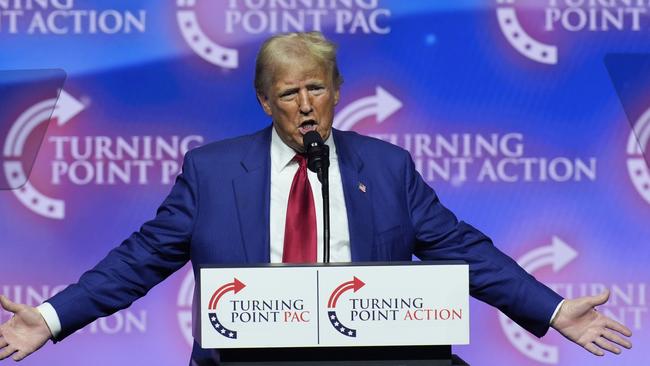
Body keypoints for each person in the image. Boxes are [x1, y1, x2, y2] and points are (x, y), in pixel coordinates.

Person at [0, 32, 633, 364]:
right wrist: (51, 318)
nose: (306, 106)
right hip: (245, 365)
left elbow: (466, 251)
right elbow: (138, 261)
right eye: (288, 93)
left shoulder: (387, 168)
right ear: (263, 102)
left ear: (337, 90)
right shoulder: (212, 173)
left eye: (317, 89)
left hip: (370, 363)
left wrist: (553, 311)